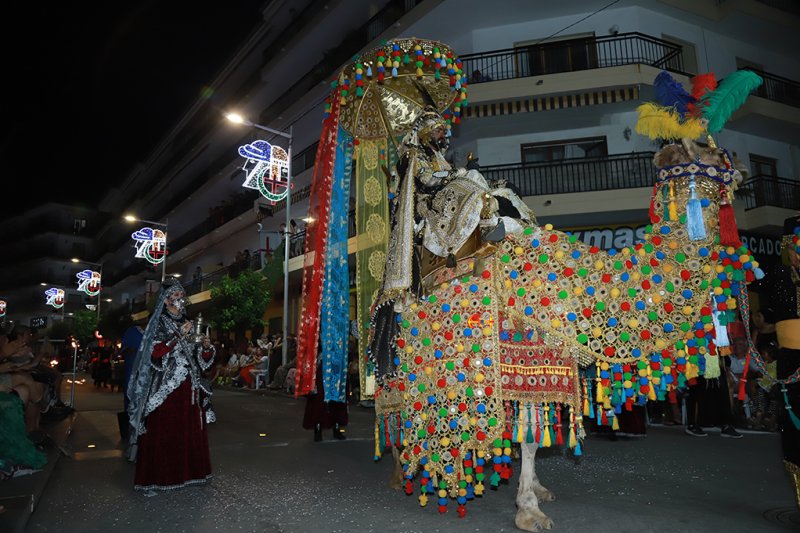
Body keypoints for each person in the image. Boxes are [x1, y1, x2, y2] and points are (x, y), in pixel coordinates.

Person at [126, 278, 216, 495]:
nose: (180, 300)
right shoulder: (158, 323)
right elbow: (155, 353)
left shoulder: (189, 322)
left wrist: (205, 348)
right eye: (175, 296)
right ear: (165, 301)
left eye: (181, 296)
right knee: (165, 430)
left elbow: (199, 360)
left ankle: (190, 474)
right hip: (167, 385)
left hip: (189, 384)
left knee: (189, 428)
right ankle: (159, 478)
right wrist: (177, 337)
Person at [751, 215, 800, 508]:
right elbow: (749, 277)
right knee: (792, 428)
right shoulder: (779, 276)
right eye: (793, 249)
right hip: (789, 364)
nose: (796, 256)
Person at [302, 352, 348, 441]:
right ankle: (318, 429)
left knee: (336, 399)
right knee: (318, 401)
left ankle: (336, 427)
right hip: (320, 365)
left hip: (335, 362)